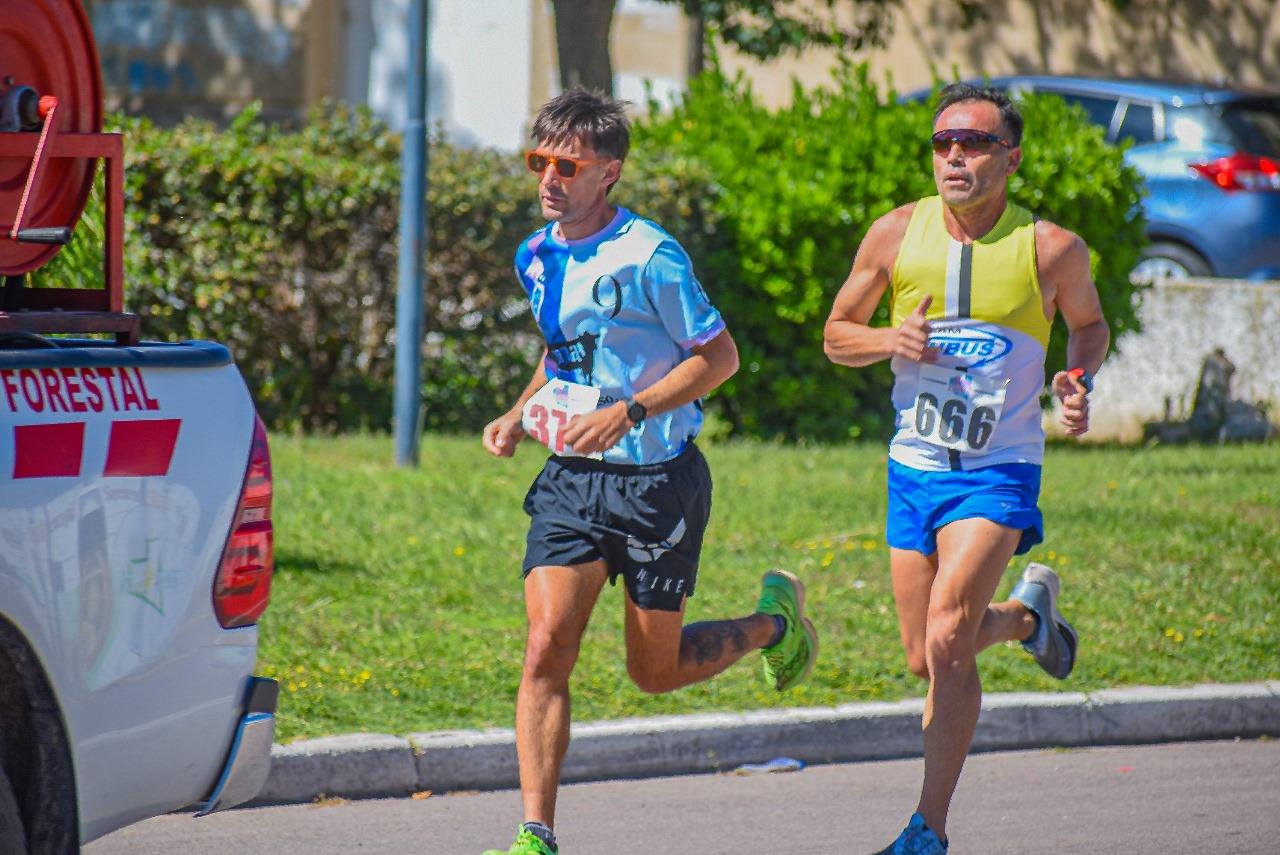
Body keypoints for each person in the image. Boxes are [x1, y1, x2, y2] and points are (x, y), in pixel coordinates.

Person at [480, 88, 819, 855]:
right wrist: (514, 411)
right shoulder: (536, 254)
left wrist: (631, 412)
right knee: (545, 647)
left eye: (567, 164)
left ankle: (776, 624)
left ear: (611, 173)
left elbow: (719, 357)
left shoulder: (652, 255)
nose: (549, 178)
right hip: (571, 478)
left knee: (653, 673)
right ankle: (536, 834)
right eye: (540, 160)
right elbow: (564, 349)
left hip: (656, 480)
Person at [822, 83, 1109, 854]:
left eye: (975, 142)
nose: (955, 154)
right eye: (944, 141)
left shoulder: (1051, 248)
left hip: (999, 466)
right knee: (927, 654)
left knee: (949, 634)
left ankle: (928, 830)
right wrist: (892, 343)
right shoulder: (895, 234)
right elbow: (837, 334)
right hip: (913, 465)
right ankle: (1025, 617)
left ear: (1009, 158)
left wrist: (1076, 382)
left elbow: (1089, 327)